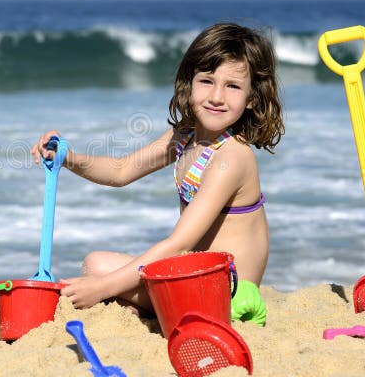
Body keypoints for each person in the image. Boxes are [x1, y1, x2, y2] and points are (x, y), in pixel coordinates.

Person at [31, 23, 283, 325]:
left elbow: (178, 244)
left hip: (231, 296)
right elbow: (121, 170)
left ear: (252, 97)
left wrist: (100, 290)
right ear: (188, 83)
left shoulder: (231, 158)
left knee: (101, 277)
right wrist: (69, 158)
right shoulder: (185, 136)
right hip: (198, 278)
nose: (217, 96)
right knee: (96, 263)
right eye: (207, 81)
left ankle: (149, 308)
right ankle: (147, 309)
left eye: (232, 86)